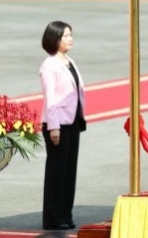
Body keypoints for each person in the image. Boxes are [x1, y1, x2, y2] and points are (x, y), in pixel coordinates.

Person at [39, 21, 86, 231]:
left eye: (70, 35)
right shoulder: (49, 65)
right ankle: (53, 217)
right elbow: (50, 98)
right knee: (57, 172)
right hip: (57, 125)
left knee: (69, 172)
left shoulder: (69, 61)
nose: (70, 39)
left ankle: (65, 213)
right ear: (55, 39)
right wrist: (54, 127)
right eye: (66, 35)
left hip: (72, 123)